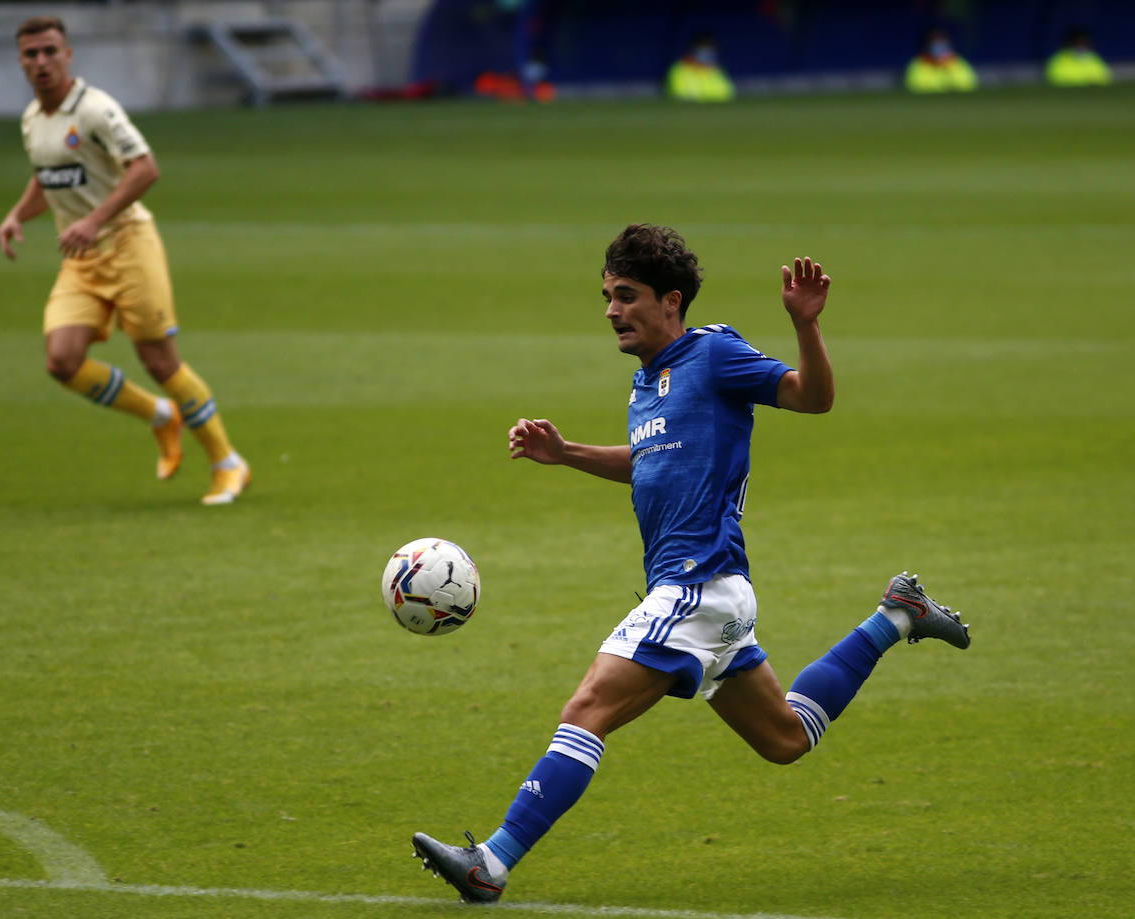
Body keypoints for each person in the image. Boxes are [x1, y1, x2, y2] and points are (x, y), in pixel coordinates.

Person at [410, 225, 971, 903]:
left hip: (696, 585)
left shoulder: (714, 353)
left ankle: (491, 864)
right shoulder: (646, 383)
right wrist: (568, 454)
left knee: (587, 707)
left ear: (671, 300)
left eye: (627, 296)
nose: (612, 310)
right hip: (714, 592)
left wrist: (805, 324)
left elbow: (812, 396)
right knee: (787, 738)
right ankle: (896, 615)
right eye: (608, 296)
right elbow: (652, 462)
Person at [0, 15, 250, 506]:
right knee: (62, 361)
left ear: (68, 55)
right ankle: (160, 415)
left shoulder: (95, 109)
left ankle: (227, 463)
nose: (41, 62)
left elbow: (145, 168)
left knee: (159, 360)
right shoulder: (33, 119)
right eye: (31, 54)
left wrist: (94, 221)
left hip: (128, 244)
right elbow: (48, 175)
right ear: (21, 61)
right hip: (82, 257)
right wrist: (17, 215)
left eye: (50, 51)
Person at [905, 27, 977, 93]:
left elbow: (968, 85)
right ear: (927, 47)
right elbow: (915, 87)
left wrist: (949, 67)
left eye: (943, 44)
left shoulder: (958, 62)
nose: (940, 49)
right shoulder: (918, 63)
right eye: (935, 44)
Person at [667, 34, 735, 103]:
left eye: (710, 50)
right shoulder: (679, 70)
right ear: (693, 51)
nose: (707, 54)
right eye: (704, 50)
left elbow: (728, 94)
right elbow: (680, 95)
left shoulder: (717, 71)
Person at [1046, 27, 1112, 88]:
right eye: (1078, 42)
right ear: (1070, 43)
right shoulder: (1059, 59)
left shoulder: (1093, 58)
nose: (1081, 46)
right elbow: (1055, 79)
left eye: (1084, 42)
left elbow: (1104, 78)